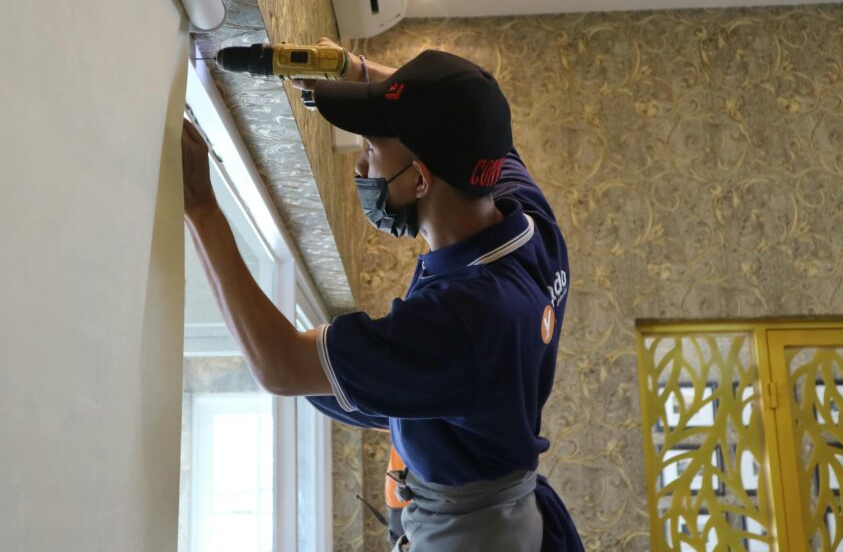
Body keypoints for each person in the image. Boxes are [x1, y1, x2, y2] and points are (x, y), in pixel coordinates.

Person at [181, 39, 583, 551]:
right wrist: (357, 71)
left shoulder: (465, 317)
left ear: (420, 178)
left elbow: (279, 365)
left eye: (370, 152)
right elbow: (467, 118)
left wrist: (202, 207)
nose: (361, 169)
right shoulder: (525, 219)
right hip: (504, 492)